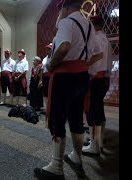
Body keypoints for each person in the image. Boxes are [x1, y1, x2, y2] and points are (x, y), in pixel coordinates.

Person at [33, 0, 103, 179]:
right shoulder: (89, 25)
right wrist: (82, 65)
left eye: (59, 11)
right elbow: (98, 53)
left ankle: (56, 166)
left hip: (64, 77)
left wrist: (52, 65)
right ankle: (77, 157)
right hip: (81, 77)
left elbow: (64, 47)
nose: (58, 15)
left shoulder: (66, 22)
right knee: (75, 118)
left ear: (65, 7)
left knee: (57, 118)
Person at [82, 15, 113, 156]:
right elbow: (109, 61)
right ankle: (98, 141)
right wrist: (107, 76)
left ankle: (94, 145)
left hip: (94, 77)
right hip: (102, 77)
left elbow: (95, 59)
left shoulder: (95, 37)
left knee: (92, 111)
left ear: (96, 25)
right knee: (99, 110)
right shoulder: (105, 38)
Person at [38, 42, 54, 114]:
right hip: (44, 77)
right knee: (45, 93)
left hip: (51, 77)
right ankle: (46, 108)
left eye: (49, 49)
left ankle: (51, 108)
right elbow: (41, 70)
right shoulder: (44, 59)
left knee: (51, 93)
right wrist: (40, 80)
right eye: (47, 49)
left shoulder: (54, 57)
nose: (47, 50)